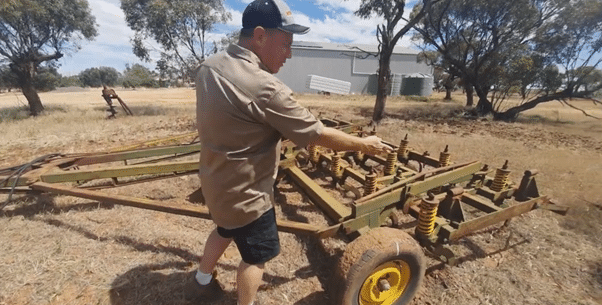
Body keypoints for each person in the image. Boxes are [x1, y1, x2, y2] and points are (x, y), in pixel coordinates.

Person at [188, 0, 393, 304]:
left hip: (216, 182)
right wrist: (365, 144)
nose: (290, 53)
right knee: (256, 257)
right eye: (286, 44)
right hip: (248, 196)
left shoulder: (210, 66)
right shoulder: (265, 87)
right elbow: (316, 134)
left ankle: (201, 280)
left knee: (224, 229)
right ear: (260, 36)